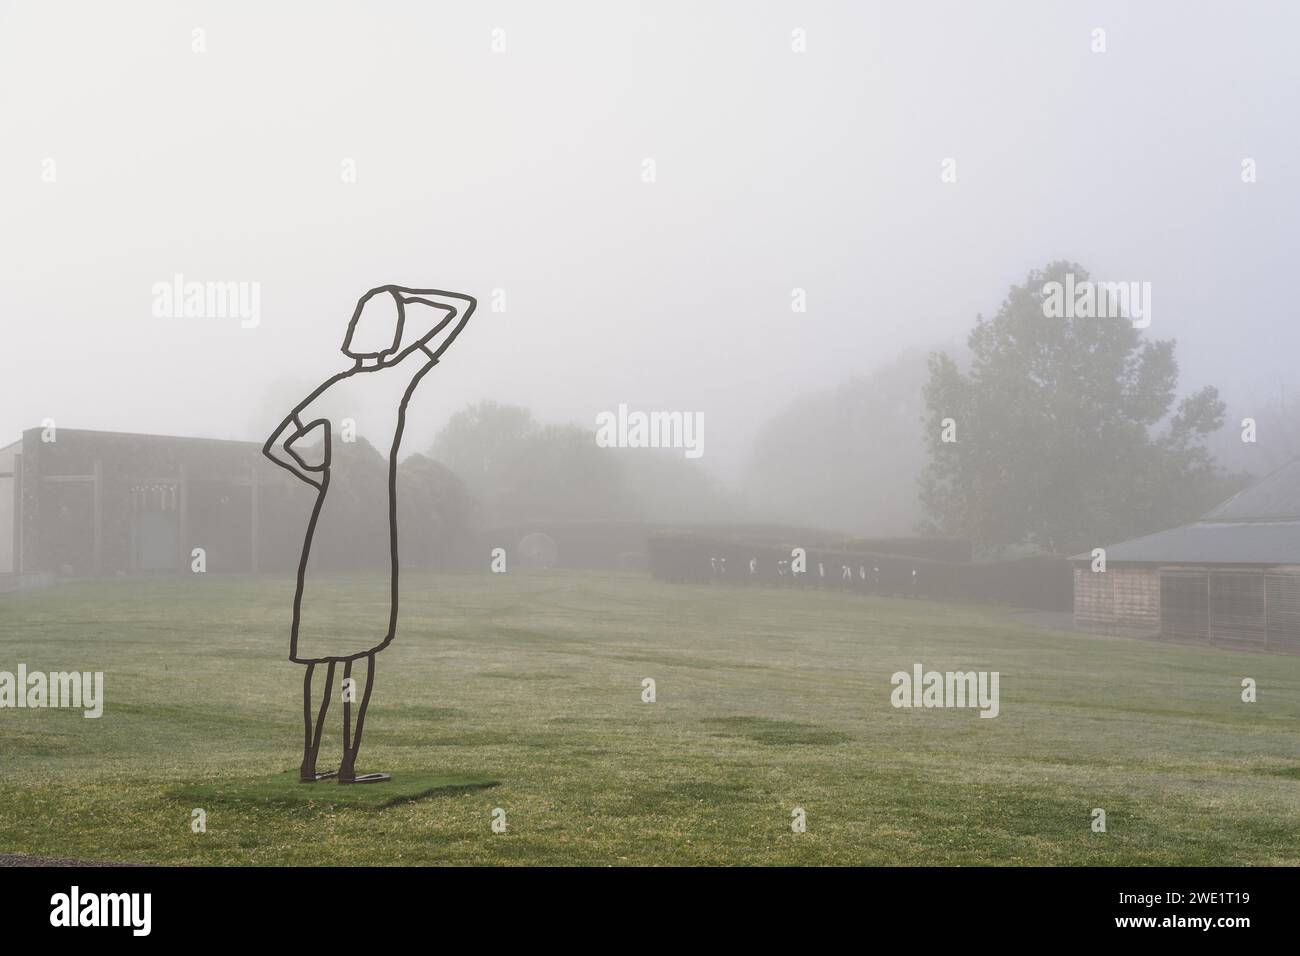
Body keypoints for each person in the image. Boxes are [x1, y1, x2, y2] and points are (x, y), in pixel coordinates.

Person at [264, 286, 476, 783]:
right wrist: (407, 295)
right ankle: (346, 765)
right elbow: (459, 310)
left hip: (321, 520)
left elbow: (279, 444)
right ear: (395, 331)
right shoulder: (395, 377)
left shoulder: (335, 386)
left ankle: (311, 762)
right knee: (358, 659)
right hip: (381, 529)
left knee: (321, 660)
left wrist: (320, 474)